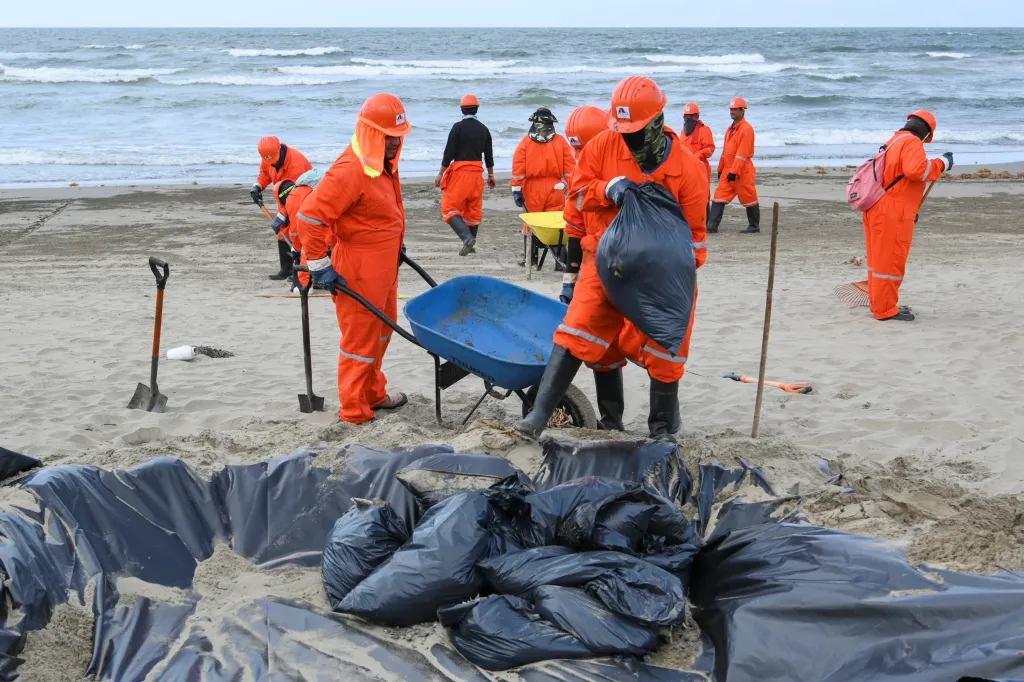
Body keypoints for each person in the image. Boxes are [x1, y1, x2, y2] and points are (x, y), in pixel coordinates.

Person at [517, 76, 709, 442]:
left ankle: (662, 428)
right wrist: (607, 189)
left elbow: (695, 243)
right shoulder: (602, 147)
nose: (629, 140)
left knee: (668, 346)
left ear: (657, 121)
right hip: (605, 262)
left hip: (661, 275)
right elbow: (576, 198)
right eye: (623, 131)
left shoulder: (688, 169)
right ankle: (539, 416)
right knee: (578, 328)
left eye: (635, 132)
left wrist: (662, 265)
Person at [295, 93, 411, 424]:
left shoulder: (383, 162)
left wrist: (397, 242)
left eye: (399, 136)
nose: (395, 143)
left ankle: (373, 393)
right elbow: (309, 218)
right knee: (360, 341)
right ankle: (354, 410)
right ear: (371, 133)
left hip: (384, 266)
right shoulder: (350, 170)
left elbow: (379, 213)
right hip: (359, 269)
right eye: (388, 136)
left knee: (383, 332)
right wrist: (320, 266)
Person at [863, 110, 952, 322]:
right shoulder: (911, 142)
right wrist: (942, 163)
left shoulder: (892, 141)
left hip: (877, 207)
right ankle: (885, 309)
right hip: (893, 211)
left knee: (878, 262)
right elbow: (916, 171)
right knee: (890, 262)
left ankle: (879, 304)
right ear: (926, 133)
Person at [510, 107, 576, 267]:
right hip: (556, 188)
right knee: (556, 224)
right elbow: (570, 169)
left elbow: (519, 169)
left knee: (532, 222)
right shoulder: (560, 141)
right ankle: (560, 259)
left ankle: (530, 257)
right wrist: (572, 186)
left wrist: (516, 189)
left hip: (533, 189)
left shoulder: (526, 143)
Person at [435, 94, 496, 256]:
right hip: (477, 175)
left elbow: (449, 153)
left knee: (449, 208)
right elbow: (489, 156)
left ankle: (467, 238)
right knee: (473, 210)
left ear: (462, 109)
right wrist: (491, 176)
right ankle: (471, 243)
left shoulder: (458, 127)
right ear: (477, 109)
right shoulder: (484, 129)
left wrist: (440, 174)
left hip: (460, 174)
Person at [249, 136, 313, 279]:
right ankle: (287, 270)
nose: (273, 162)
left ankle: (301, 270)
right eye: (268, 160)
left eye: (274, 159)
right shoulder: (268, 157)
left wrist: (282, 215)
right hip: (284, 197)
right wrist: (258, 186)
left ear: (279, 149)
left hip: (303, 198)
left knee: (298, 231)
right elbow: (265, 173)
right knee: (283, 231)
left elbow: (295, 195)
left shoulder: (296, 164)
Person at [270, 174, 337, 291]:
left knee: (308, 248)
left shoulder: (293, 198)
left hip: (324, 218)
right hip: (332, 211)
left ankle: (304, 285)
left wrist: (296, 249)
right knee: (334, 243)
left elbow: (296, 231)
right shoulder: (301, 190)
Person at [708, 97, 760, 234]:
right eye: (731, 109)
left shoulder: (747, 129)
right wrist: (720, 169)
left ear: (742, 111)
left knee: (749, 197)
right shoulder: (730, 129)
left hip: (742, 171)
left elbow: (742, 153)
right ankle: (712, 226)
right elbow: (725, 152)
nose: (732, 112)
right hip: (728, 169)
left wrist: (734, 171)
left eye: (735, 109)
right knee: (719, 196)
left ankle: (754, 225)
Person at [680, 102, 715, 184]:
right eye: (686, 116)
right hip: (686, 169)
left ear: (696, 117)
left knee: (702, 191)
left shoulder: (704, 130)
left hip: (701, 168)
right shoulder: (683, 131)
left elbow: (710, 149)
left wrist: (696, 157)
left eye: (690, 116)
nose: (687, 118)